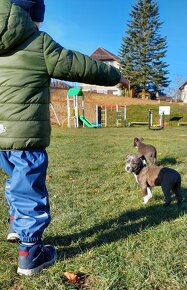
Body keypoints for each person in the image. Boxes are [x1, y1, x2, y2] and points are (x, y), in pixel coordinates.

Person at [0, 0, 129, 276]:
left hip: (0, 136)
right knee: (28, 186)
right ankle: (30, 251)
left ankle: (15, 224)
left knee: (15, 181)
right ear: (32, 15)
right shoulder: (37, 42)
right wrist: (116, 75)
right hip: (27, 135)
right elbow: (80, 65)